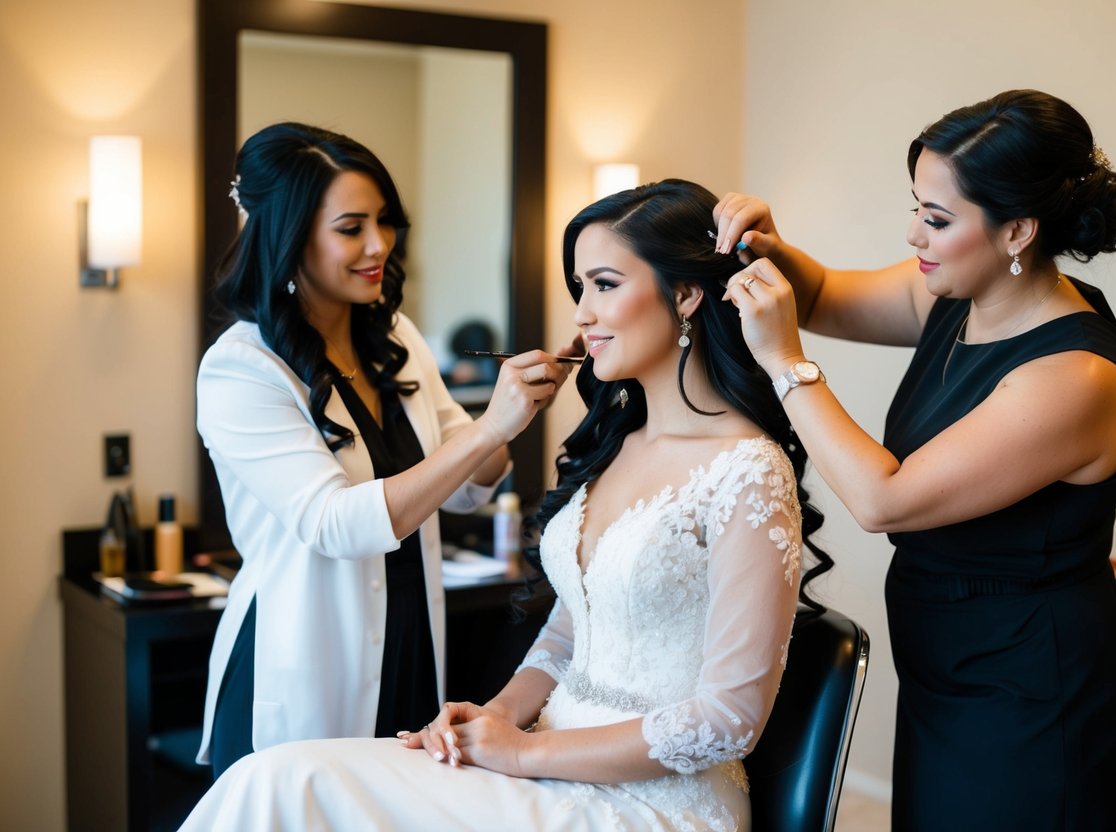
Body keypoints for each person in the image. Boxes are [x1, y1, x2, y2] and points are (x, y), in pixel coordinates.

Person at [179, 179, 832, 830]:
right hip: (546, 766)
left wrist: (523, 751)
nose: (580, 315)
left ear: (685, 295)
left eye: (603, 285)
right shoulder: (618, 447)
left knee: (295, 789)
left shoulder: (746, 470)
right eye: (580, 290)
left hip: (650, 801)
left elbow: (725, 723)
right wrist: (498, 713)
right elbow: (570, 628)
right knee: (274, 777)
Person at [714, 89, 1116, 831]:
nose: (913, 233)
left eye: (937, 220)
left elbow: (885, 500)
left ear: (1016, 229)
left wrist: (785, 362)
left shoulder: (1073, 379)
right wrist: (768, 247)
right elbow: (820, 294)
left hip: (1033, 695)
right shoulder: (954, 297)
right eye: (915, 206)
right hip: (945, 672)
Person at [194, 122, 572, 778]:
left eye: (385, 221)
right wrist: (490, 428)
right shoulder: (241, 370)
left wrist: (509, 418)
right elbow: (335, 524)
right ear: (288, 232)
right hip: (305, 654)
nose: (378, 245)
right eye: (350, 227)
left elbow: (466, 485)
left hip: (410, 642)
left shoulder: (391, 335)